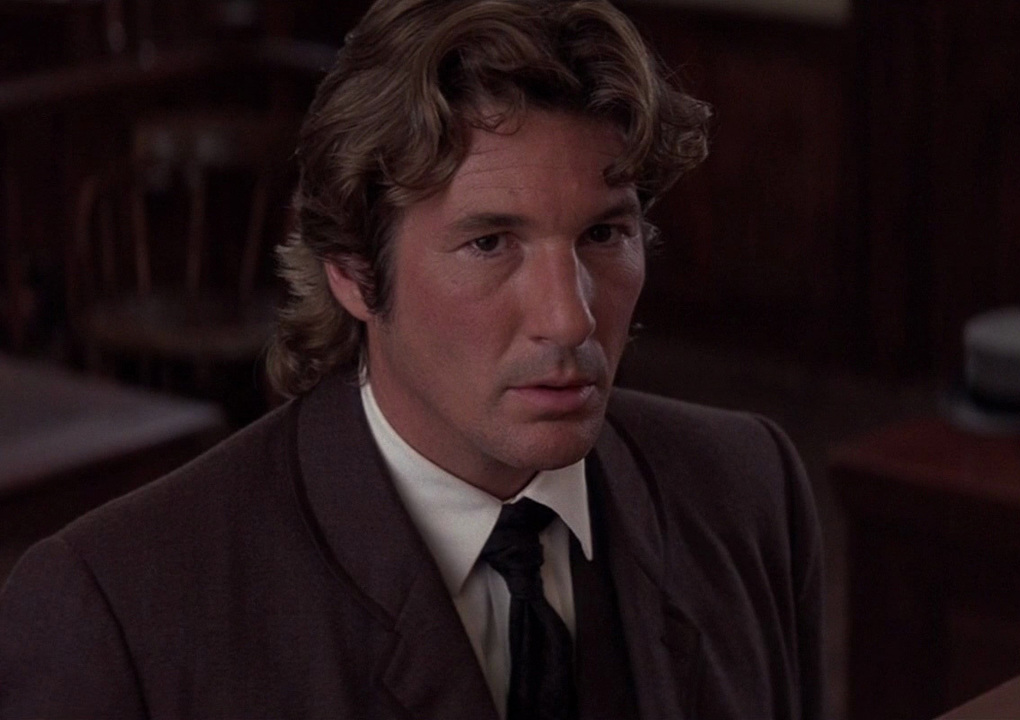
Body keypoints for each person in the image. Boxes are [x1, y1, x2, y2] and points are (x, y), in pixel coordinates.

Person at [0, 0, 825, 717]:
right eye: (490, 242)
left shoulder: (750, 490)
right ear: (354, 271)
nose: (570, 318)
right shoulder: (119, 612)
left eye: (604, 233)